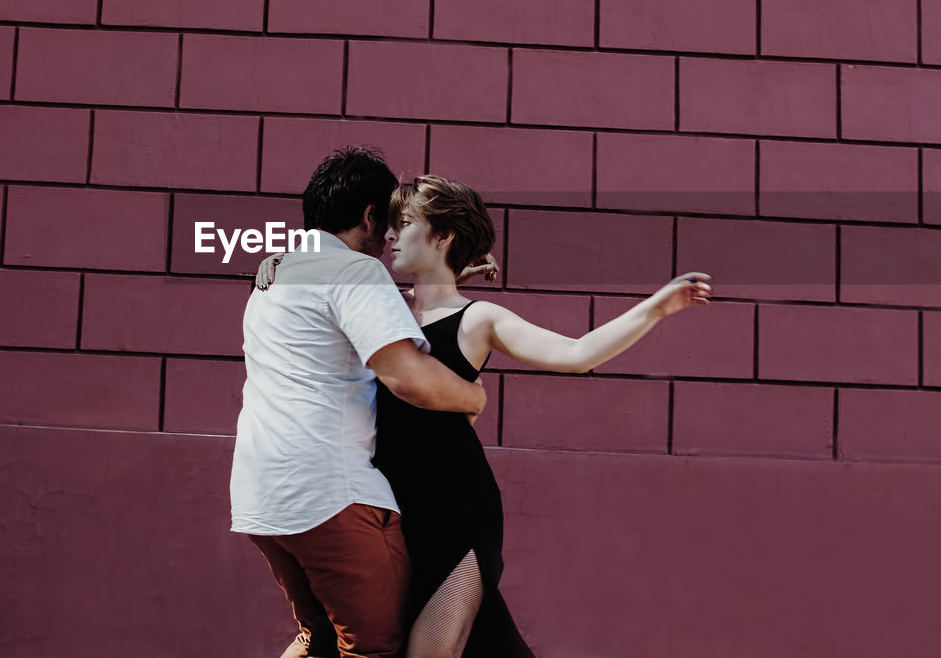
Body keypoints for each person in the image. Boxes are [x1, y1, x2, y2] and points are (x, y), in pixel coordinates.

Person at [257, 174, 713, 658]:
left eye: (405, 223)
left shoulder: (480, 319)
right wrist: (278, 260)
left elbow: (577, 353)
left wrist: (657, 308)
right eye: (388, 225)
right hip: (391, 517)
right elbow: (323, 286)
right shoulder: (380, 302)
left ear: (443, 236)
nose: (389, 236)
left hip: (459, 517)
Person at [231, 149, 489, 658]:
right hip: (331, 493)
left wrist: (448, 280)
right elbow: (407, 378)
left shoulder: (276, 272)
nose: (391, 236)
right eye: (389, 221)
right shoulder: (355, 272)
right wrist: (472, 395)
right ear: (369, 216)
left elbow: (352, 320)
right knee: (373, 648)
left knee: (319, 637)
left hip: (260, 498)